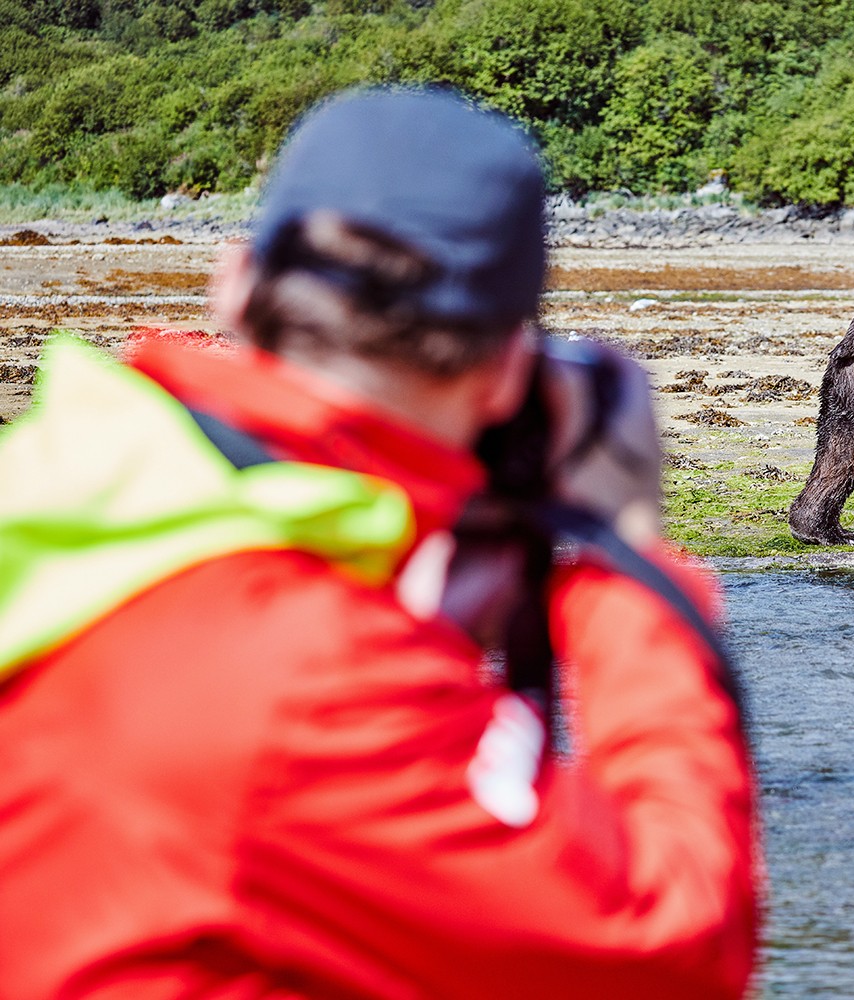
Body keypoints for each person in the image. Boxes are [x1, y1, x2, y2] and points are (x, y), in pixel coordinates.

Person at [0, 87, 758, 998]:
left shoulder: (61, 499)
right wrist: (627, 562)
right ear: (507, 369)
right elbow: (672, 945)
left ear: (234, 284)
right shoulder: (315, 685)